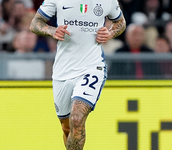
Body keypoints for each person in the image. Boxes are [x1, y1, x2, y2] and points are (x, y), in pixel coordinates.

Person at [30, 0, 126, 149]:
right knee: (67, 128)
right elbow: (35, 22)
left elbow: (120, 22)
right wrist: (52, 30)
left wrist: (110, 33)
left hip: (92, 66)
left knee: (77, 118)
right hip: (63, 70)